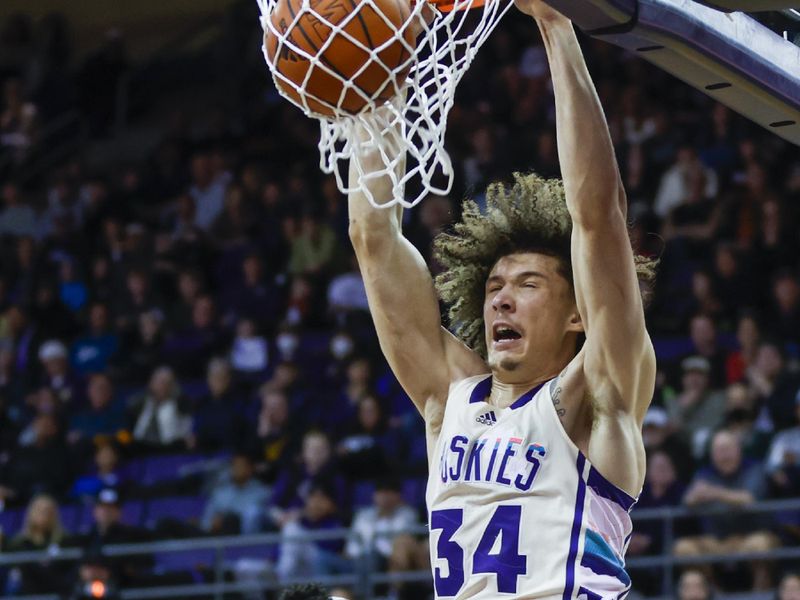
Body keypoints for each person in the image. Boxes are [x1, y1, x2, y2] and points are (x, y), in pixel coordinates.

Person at [347, 1, 656, 597]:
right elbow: (373, 238)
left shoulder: (597, 395)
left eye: (527, 285)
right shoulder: (448, 400)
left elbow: (598, 218)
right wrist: (372, 94)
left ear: (576, 314)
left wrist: (557, 26)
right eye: (493, 288)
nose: (501, 301)